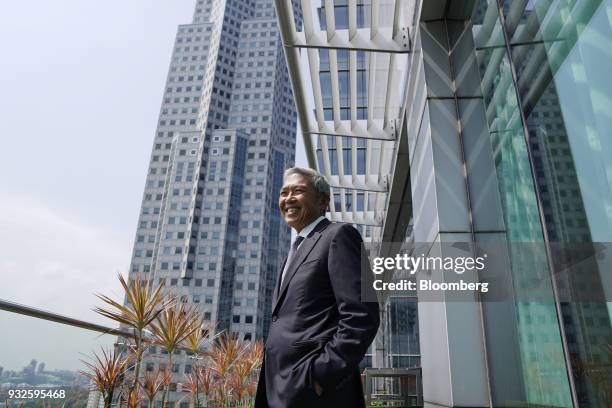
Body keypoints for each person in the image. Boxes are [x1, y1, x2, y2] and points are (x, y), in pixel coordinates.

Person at [255, 167, 380, 408]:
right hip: (279, 388)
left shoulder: (339, 236)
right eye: (284, 193)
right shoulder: (294, 252)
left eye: (298, 191)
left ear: (323, 201)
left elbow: (362, 317)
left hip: (316, 393)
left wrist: (319, 378)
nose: (288, 198)